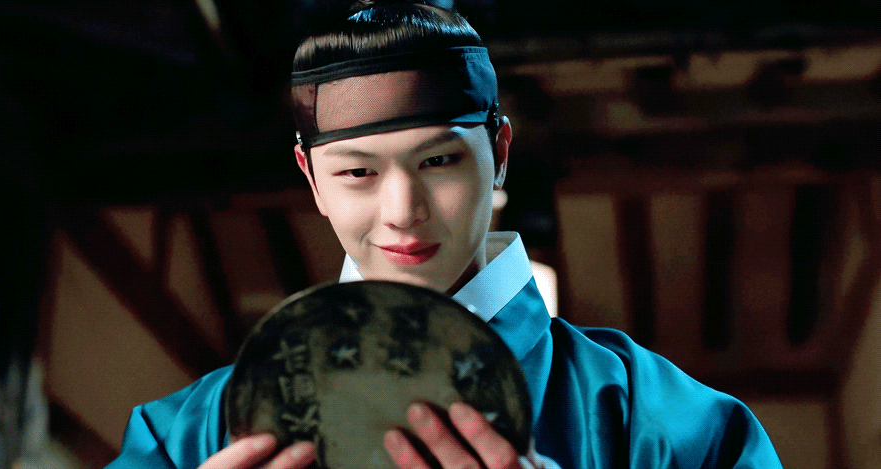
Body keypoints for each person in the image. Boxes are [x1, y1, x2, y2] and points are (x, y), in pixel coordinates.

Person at [106, 1, 783, 468]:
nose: (403, 211)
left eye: (438, 161)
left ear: (500, 152)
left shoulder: (658, 424)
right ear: (311, 178)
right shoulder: (187, 436)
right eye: (358, 172)